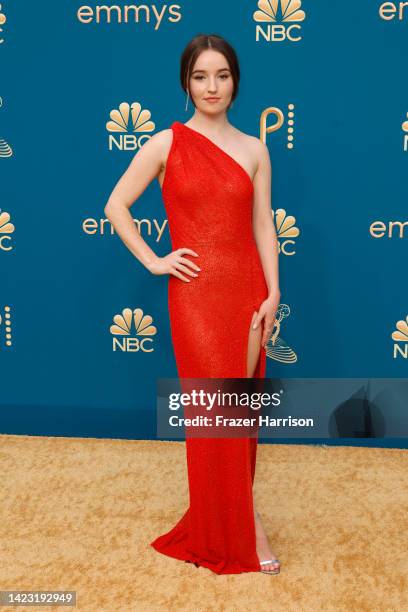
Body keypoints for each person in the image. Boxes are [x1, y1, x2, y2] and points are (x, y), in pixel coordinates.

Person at [104, 33, 281, 575]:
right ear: (187, 83)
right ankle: (236, 524)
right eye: (201, 76)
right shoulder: (165, 144)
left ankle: (241, 514)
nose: (212, 86)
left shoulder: (255, 149)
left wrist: (274, 292)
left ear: (235, 82)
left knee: (240, 414)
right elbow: (115, 205)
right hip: (195, 300)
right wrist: (156, 261)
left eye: (222, 75)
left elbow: (263, 226)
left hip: (247, 292)